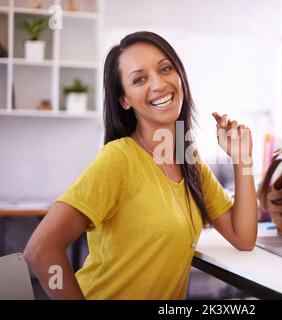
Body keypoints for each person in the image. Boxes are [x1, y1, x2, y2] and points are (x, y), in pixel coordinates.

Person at [23, 31, 258, 300]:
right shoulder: (118, 159)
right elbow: (41, 250)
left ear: (180, 75)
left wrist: (242, 159)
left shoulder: (190, 162)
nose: (158, 84)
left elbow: (244, 237)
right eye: (139, 79)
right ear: (124, 99)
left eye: (165, 68)